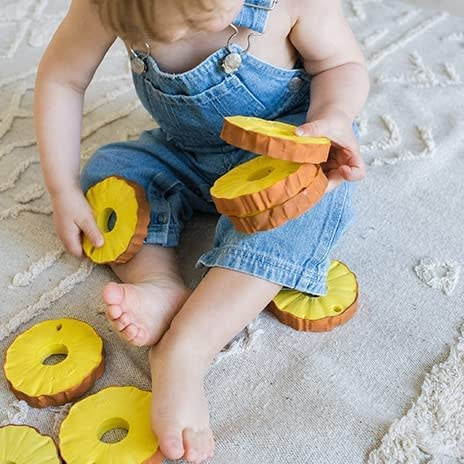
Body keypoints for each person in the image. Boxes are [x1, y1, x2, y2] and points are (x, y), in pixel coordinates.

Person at [34, 0, 369, 462]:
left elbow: (341, 63)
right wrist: (61, 188)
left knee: (313, 206)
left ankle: (187, 347)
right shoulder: (103, 4)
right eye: (146, 37)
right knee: (111, 172)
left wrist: (333, 117)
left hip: (281, 160)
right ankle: (158, 283)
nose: (172, 42)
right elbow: (62, 78)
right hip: (186, 151)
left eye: (198, 24)